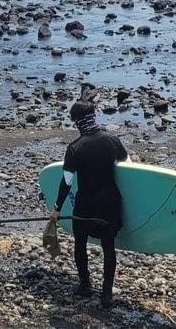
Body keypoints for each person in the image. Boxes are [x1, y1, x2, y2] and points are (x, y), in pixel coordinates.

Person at [48, 101, 127, 309]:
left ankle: (85, 284)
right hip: (110, 203)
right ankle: (107, 295)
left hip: (85, 206)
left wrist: (57, 208)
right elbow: (125, 164)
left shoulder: (75, 148)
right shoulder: (112, 140)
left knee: (80, 243)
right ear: (93, 116)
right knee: (108, 247)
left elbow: (66, 182)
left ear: (76, 122)